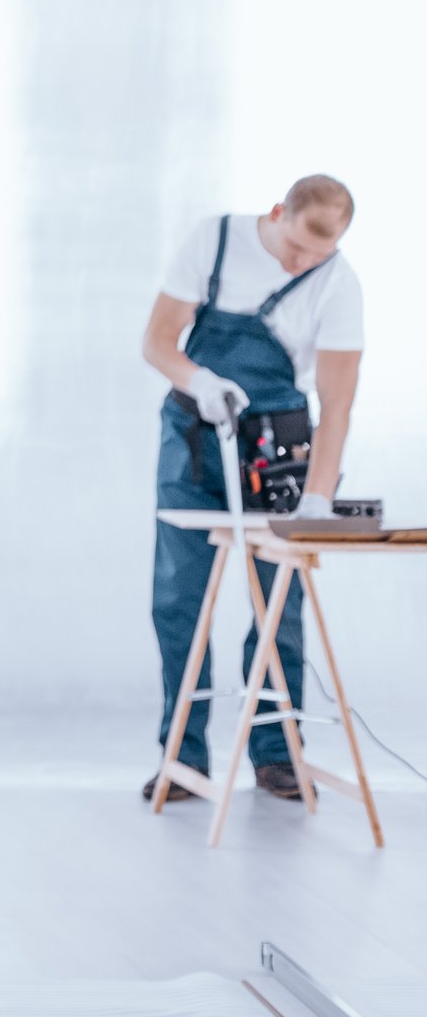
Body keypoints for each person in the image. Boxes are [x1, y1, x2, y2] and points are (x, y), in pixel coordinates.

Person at [138, 174, 362, 805]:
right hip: (195, 440)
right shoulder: (213, 241)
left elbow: (338, 405)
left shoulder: (338, 284)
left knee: (277, 607)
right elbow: (156, 341)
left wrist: (317, 500)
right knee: (179, 602)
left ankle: (276, 754)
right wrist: (199, 379)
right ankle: (181, 759)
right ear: (275, 215)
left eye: (319, 255)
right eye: (295, 251)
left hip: (281, 447)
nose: (304, 264)